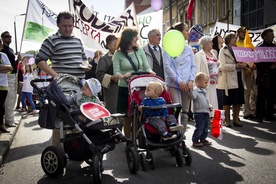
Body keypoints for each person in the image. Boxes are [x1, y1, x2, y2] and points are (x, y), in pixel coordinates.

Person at [35, 11, 91, 146]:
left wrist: (86, 66)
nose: (68, 29)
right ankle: (57, 151)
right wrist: (56, 75)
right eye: (65, 26)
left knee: (81, 118)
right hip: (63, 87)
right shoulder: (51, 40)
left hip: (80, 86)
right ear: (58, 24)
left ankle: (77, 150)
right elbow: (40, 60)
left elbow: (84, 60)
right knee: (61, 119)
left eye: (71, 26)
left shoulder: (78, 40)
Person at [113, 28, 155, 139]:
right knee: (127, 115)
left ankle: (137, 137)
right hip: (125, 86)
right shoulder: (118, 54)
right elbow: (116, 71)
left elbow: (146, 66)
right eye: (135, 37)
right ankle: (128, 139)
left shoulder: (139, 51)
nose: (137, 38)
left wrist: (150, 72)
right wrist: (122, 76)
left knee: (138, 112)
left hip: (139, 85)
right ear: (128, 39)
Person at [163, 22, 196, 132]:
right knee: (177, 110)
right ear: (179, 33)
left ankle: (182, 137)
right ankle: (176, 138)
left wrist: (191, 81)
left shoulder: (189, 49)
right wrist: (179, 81)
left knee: (185, 112)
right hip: (174, 85)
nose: (189, 32)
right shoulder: (168, 48)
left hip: (187, 85)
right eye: (186, 30)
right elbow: (167, 67)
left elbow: (193, 66)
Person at [217, 33, 247, 128]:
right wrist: (235, 66)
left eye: (236, 37)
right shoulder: (223, 50)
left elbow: (244, 60)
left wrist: (244, 64)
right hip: (229, 78)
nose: (235, 39)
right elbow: (222, 65)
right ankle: (227, 120)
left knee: (238, 100)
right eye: (234, 37)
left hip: (239, 77)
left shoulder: (239, 50)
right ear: (229, 39)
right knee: (228, 101)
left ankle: (236, 120)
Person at [194, 36, 219, 119]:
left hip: (213, 81)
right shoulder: (199, 55)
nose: (212, 43)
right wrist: (198, 83)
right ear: (204, 44)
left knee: (213, 101)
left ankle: (212, 118)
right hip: (204, 82)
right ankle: (206, 119)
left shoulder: (213, 54)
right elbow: (197, 69)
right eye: (210, 42)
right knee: (205, 101)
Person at [1, 31, 22, 127]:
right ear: (2, 38)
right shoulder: (2, 51)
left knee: (13, 97)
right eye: (6, 36)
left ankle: (11, 118)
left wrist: (19, 60)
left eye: (10, 36)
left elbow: (14, 64)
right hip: (7, 76)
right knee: (9, 99)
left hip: (14, 75)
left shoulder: (11, 50)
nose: (9, 38)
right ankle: (9, 120)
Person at [255, 28, 276, 122]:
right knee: (261, 97)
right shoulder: (260, 48)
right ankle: (259, 115)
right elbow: (257, 62)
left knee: (272, 96)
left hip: (273, 75)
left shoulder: (274, 47)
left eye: (273, 35)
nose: (273, 37)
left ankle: (270, 114)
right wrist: (269, 66)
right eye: (271, 35)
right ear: (265, 36)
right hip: (263, 75)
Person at [236, 27, 257, 120]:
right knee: (246, 92)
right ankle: (247, 112)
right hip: (243, 70)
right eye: (242, 32)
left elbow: (254, 56)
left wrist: (254, 64)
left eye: (245, 32)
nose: (244, 34)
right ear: (238, 33)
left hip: (252, 69)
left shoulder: (250, 44)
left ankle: (254, 109)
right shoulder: (236, 44)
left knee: (255, 91)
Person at [188, 72, 212, 147]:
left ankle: (203, 139)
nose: (206, 84)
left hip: (205, 111)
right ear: (199, 82)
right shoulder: (195, 90)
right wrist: (190, 90)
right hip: (199, 112)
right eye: (205, 82)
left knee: (205, 127)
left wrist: (209, 106)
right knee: (199, 127)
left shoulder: (203, 91)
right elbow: (193, 97)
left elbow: (206, 100)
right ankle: (195, 140)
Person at [96, 35, 119, 114]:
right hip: (111, 90)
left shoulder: (123, 56)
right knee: (112, 111)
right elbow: (99, 74)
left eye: (117, 42)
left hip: (123, 87)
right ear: (108, 45)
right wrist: (111, 77)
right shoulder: (104, 59)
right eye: (113, 42)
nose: (116, 44)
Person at [0, 38, 13, 133]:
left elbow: (10, 68)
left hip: (3, 84)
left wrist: (3, 68)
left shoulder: (3, 55)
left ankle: (1, 125)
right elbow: (6, 68)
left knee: (1, 106)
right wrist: (4, 68)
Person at [212, 34, 224, 110]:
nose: (222, 38)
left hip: (223, 75)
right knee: (218, 96)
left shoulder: (223, 49)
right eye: (219, 37)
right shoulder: (214, 51)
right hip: (217, 76)